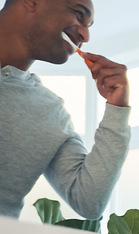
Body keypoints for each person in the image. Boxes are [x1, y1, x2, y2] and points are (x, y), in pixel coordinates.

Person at [0, 0, 131, 219]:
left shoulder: (50, 112)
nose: (85, 36)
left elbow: (89, 201)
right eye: (79, 14)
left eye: (89, 25)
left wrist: (117, 108)